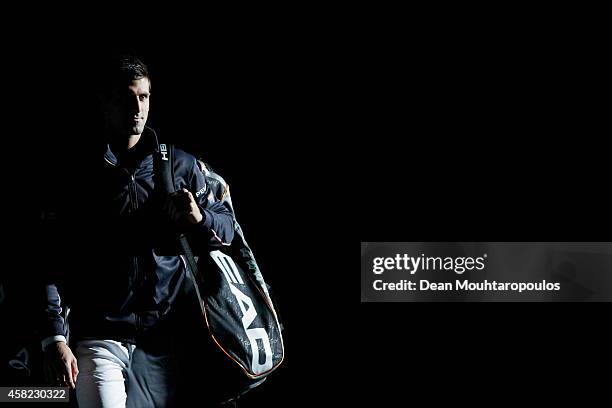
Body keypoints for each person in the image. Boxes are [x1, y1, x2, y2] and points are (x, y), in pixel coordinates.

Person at [40, 55, 239, 407]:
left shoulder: (180, 165)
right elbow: (47, 261)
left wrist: (200, 218)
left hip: (166, 341)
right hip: (100, 339)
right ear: (105, 102)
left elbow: (227, 231)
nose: (137, 107)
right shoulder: (75, 176)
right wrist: (55, 338)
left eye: (144, 97)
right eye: (126, 97)